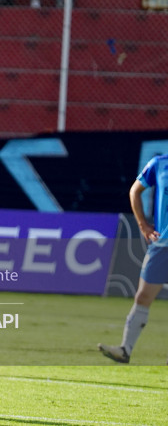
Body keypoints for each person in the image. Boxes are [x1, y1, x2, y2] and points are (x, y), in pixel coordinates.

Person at [98, 155, 168, 364]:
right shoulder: (159, 163)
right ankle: (125, 350)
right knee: (143, 297)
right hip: (162, 244)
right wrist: (143, 225)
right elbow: (135, 191)